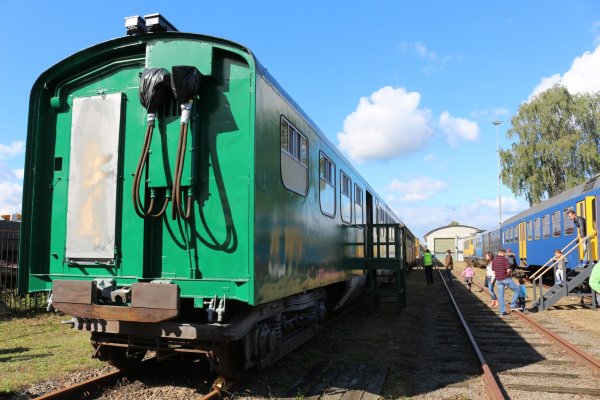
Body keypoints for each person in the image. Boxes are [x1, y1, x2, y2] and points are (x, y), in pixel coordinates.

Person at [492, 248, 519, 316]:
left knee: (501, 296)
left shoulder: (494, 261)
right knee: (517, 290)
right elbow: (508, 270)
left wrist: (497, 278)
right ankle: (512, 305)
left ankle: (502, 312)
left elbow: (494, 272)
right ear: (503, 253)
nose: (505, 255)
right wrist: (509, 275)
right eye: (505, 254)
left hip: (498, 280)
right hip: (505, 279)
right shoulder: (505, 259)